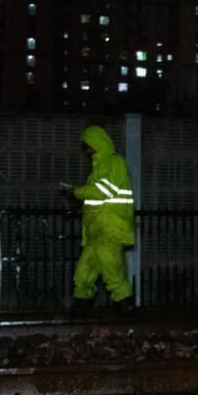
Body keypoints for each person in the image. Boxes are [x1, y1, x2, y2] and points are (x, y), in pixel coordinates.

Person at [60, 125, 136, 316]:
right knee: (83, 275)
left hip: (109, 230)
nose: (87, 150)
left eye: (88, 146)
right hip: (97, 232)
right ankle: (83, 308)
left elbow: (102, 191)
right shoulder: (100, 167)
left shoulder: (115, 162)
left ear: (97, 143)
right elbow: (98, 196)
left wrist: (76, 192)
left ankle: (126, 310)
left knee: (113, 275)